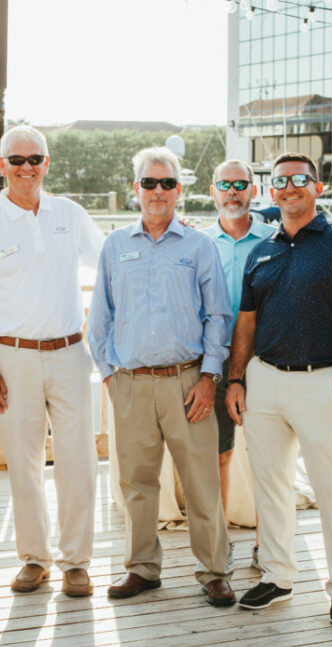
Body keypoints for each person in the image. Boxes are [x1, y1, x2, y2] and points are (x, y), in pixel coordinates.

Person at [224, 152, 332, 624]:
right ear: (270, 191)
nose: (289, 187)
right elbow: (246, 325)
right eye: (280, 181)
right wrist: (237, 378)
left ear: (317, 187)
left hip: (326, 382)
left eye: (300, 179)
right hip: (266, 382)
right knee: (270, 486)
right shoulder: (262, 250)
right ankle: (277, 577)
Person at [89, 147, 235, 606]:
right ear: (137, 188)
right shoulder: (115, 246)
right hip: (131, 383)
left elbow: (218, 316)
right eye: (149, 183)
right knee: (136, 481)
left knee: (201, 481)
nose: (157, 192)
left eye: (166, 184)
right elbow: (100, 319)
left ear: (178, 190)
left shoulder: (199, 246)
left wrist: (210, 377)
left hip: (188, 382)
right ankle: (142, 568)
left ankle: (213, 570)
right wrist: (111, 377)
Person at [0, 124, 104, 597]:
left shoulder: (70, 214)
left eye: (35, 159)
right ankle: (34, 559)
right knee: (22, 465)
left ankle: (76, 563)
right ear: (1, 165)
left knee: (78, 461)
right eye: (17, 159)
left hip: (69, 352)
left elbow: (110, 260)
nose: (27, 168)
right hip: (12, 358)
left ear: (47, 163)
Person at [202, 159, 277, 571]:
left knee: (268, 456)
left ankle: (269, 546)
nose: (233, 192)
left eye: (240, 185)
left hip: (264, 360)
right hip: (214, 360)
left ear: (253, 190)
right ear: (213, 191)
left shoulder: (275, 240)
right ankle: (219, 544)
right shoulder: (198, 243)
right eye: (224, 185)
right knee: (219, 455)